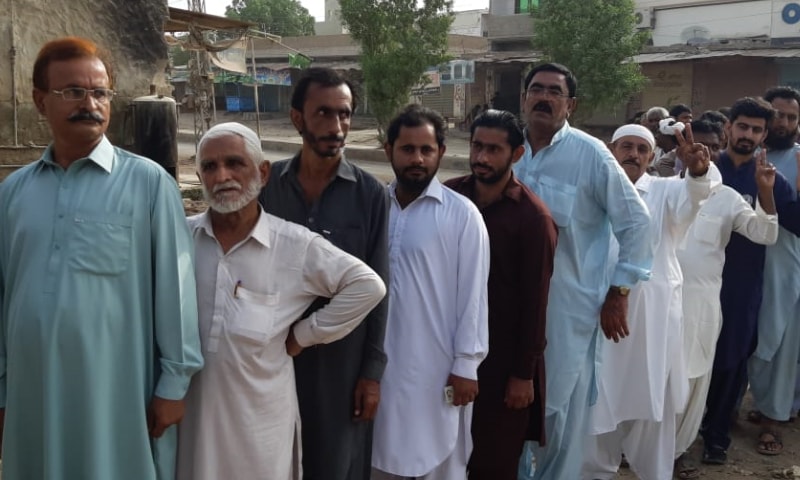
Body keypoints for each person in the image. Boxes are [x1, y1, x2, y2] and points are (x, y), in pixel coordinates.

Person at [0, 37, 203, 479]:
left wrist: (174, 384)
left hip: (116, 395)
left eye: (100, 92)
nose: (89, 103)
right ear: (40, 101)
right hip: (31, 393)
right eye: (72, 91)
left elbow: (177, 292)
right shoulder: (13, 193)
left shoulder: (149, 185)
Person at [177, 123, 386, 480]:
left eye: (234, 163)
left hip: (260, 426)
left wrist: (305, 334)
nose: (222, 175)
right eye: (209, 167)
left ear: (262, 172)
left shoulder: (293, 245)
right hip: (191, 421)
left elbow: (368, 285)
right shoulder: (181, 237)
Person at [513, 62, 653, 479]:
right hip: (505, 307)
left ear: (570, 104)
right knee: (510, 414)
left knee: (559, 422)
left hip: (566, 313)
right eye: (536, 89)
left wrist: (618, 292)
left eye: (555, 91)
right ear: (523, 99)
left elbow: (637, 222)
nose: (544, 97)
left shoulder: (590, 154)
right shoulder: (509, 150)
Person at [258, 67, 389, 480]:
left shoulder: (370, 194)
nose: (337, 127)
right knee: (272, 458)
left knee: (335, 464)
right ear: (298, 118)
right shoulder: (268, 186)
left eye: (345, 114)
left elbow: (381, 286)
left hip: (342, 364)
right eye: (324, 114)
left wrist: (371, 374)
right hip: (271, 355)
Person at [583, 123, 714, 480]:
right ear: (612, 150)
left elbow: (694, 198)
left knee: (652, 403)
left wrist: (697, 172)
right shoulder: (593, 191)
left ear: (653, 157)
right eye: (627, 146)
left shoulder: (664, 191)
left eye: (643, 149)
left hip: (652, 321)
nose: (634, 155)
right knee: (597, 399)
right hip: (599, 316)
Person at [371, 104, 490, 480]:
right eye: (408, 149)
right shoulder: (373, 208)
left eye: (427, 150)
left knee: (440, 459)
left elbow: (473, 297)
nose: (418, 159)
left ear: (440, 152)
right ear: (389, 151)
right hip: (379, 366)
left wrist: (466, 364)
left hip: (437, 367)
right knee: (377, 451)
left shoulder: (461, 214)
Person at [443, 110, 558, 480]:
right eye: (477, 146)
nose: (482, 158)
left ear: (517, 155)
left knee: (492, 462)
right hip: (447, 353)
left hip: (502, 364)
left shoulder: (532, 218)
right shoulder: (450, 197)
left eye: (494, 149)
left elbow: (535, 302)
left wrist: (523, 374)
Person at [673, 120, 779, 478]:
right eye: (694, 146)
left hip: (703, 304)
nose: (700, 153)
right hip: (663, 302)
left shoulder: (729, 198)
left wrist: (766, 194)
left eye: (708, 147)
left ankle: (677, 451)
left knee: (693, 379)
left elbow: (765, 234)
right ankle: (648, 447)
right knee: (660, 376)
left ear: (719, 147)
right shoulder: (664, 189)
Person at [701, 97, 800, 465]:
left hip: (743, 289)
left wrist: (769, 193)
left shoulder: (771, 179)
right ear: (728, 127)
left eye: (756, 130)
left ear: (763, 135)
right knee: (691, 359)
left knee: (731, 362)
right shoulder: (703, 170)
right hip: (697, 283)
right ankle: (682, 430)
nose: (748, 135)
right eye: (742, 126)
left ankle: (716, 436)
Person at [747, 86, 800, 456]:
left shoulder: (799, 159)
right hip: (744, 261)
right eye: (777, 115)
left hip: (785, 264)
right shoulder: (743, 153)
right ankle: (733, 406)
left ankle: (773, 417)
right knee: (743, 336)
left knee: (782, 342)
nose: (783, 122)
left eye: (791, 117)